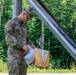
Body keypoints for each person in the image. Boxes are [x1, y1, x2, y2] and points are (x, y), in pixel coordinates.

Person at [4, 7, 35, 75]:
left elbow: (26, 39)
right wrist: (22, 45)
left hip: (24, 56)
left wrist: (31, 44)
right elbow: (9, 38)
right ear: (24, 14)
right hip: (14, 55)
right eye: (28, 18)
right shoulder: (11, 23)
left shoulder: (24, 26)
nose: (28, 20)